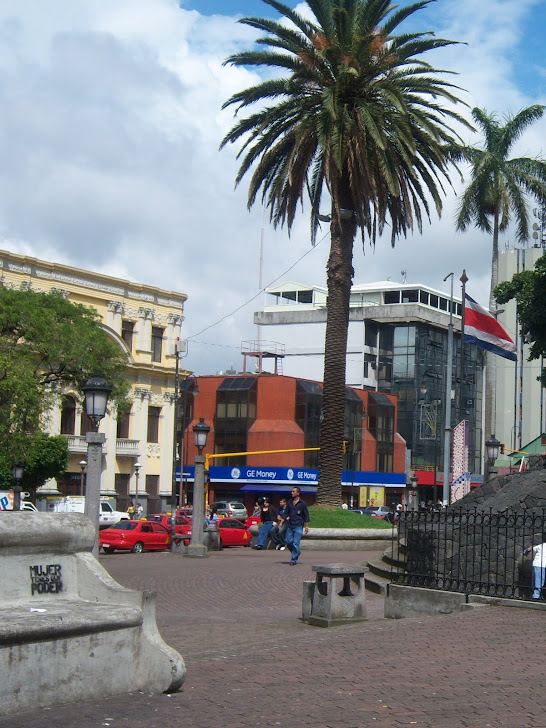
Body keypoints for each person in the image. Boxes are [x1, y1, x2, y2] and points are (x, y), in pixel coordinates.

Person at [284, 486, 310, 565]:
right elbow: (285, 513)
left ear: (298, 493)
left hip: (298, 525)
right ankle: (297, 552)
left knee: (296, 543)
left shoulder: (302, 504)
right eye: (291, 491)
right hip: (290, 525)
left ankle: (293, 559)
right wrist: (286, 517)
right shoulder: (289, 502)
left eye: (293, 491)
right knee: (288, 542)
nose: (292, 493)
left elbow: (306, 515)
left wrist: (306, 526)